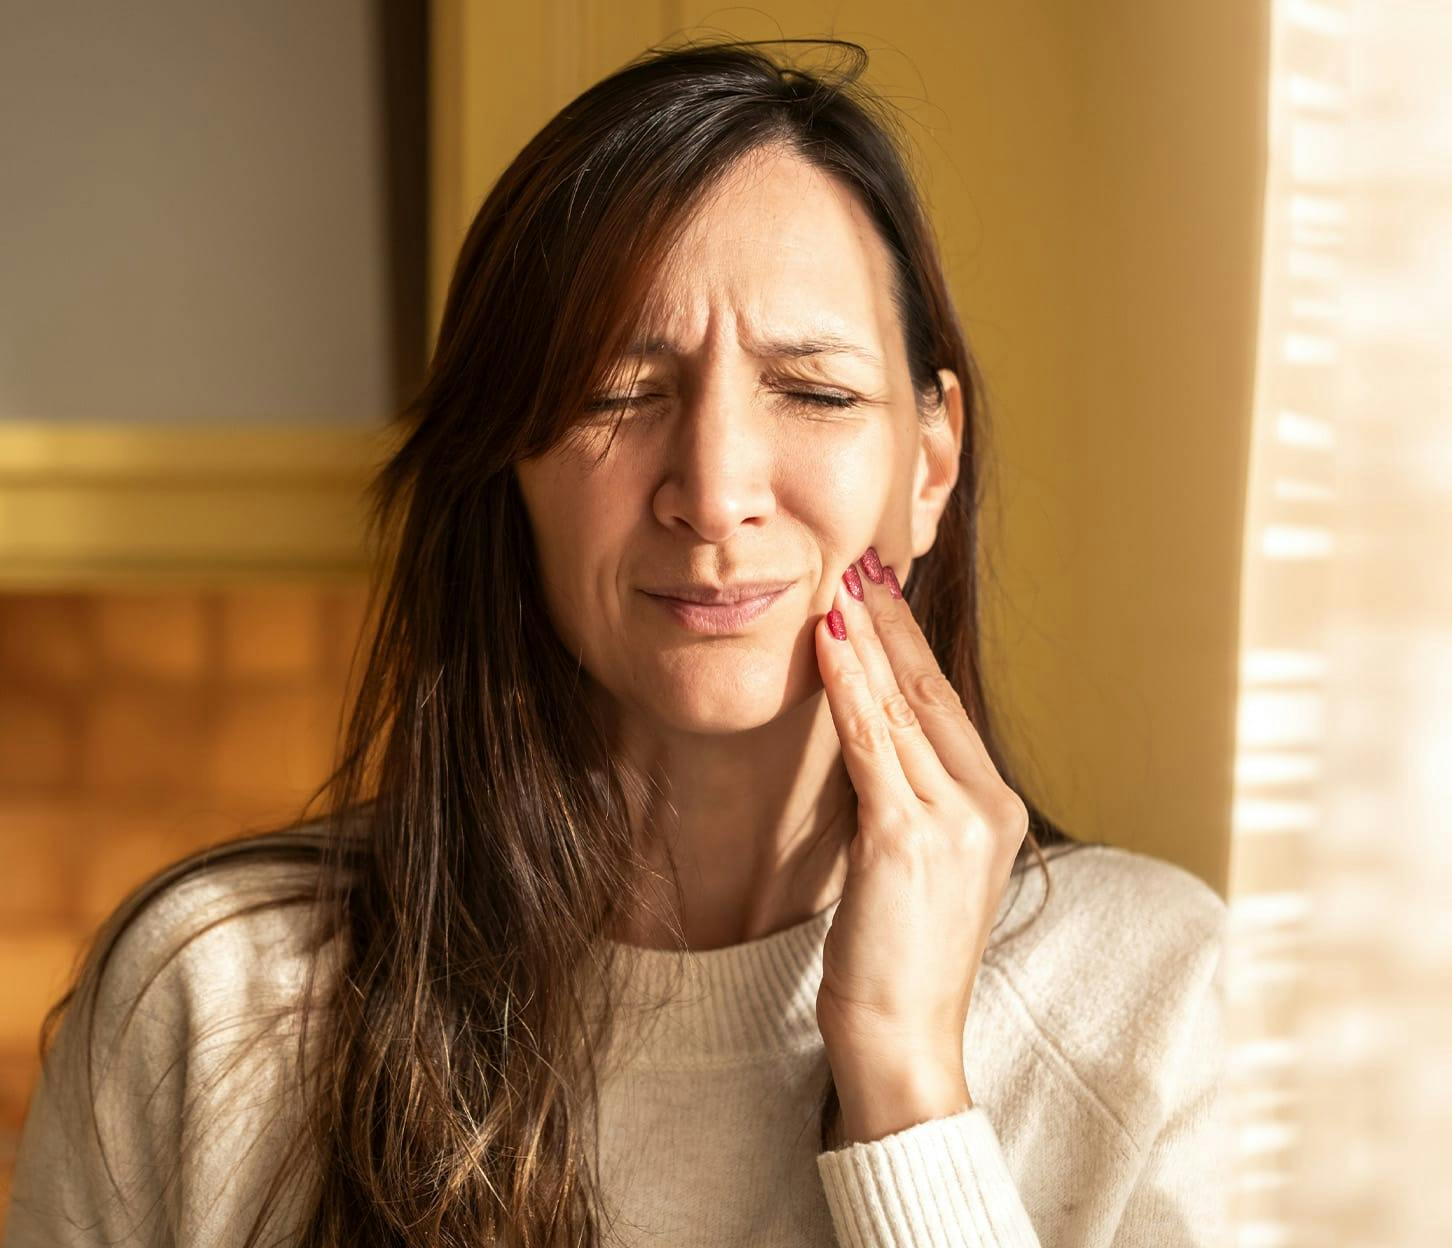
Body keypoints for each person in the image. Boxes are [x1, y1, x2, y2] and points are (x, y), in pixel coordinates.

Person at [3, 38, 1231, 1248]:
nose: (712, 489)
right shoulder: (214, 999)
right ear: (511, 461)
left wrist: (908, 1091)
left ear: (931, 463)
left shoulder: (1152, 998)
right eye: (618, 392)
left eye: (812, 392)